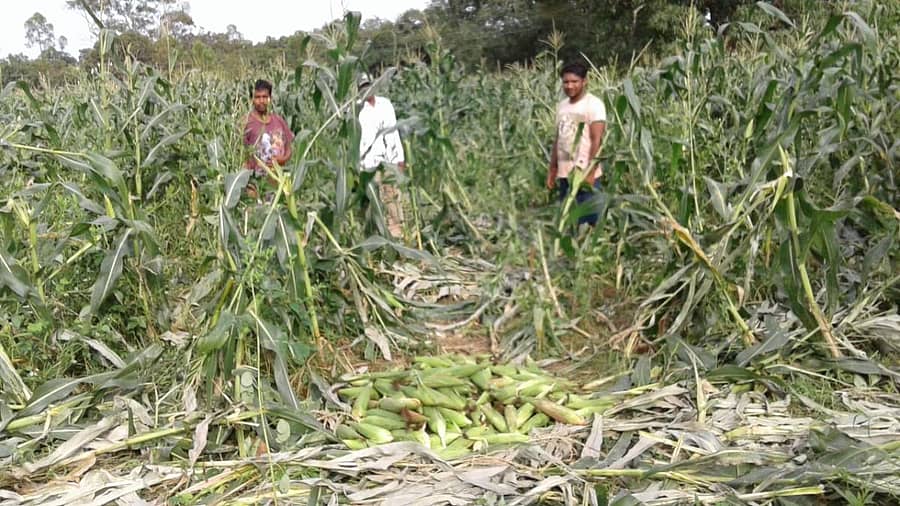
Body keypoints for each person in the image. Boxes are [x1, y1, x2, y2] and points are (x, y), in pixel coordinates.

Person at [547, 62, 607, 227]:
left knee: (590, 217)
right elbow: (559, 138)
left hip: (584, 173)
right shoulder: (562, 106)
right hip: (565, 173)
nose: (569, 86)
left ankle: (594, 249)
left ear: (584, 81)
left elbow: (597, 140)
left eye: (574, 81)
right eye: (566, 82)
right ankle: (573, 249)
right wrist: (553, 169)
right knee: (569, 218)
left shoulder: (594, 105)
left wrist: (590, 171)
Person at [358, 73, 406, 239]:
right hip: (369, 164)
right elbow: (357, 141)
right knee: (374, 201)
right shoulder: (357, 111)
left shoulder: (385, 104)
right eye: (363, 87)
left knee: (392, 197)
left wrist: (400, 158)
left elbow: (394, 132)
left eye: (368, 86)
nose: (366, 90)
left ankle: (397, 233)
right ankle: (377, 235)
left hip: (389, 160)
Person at [243, 79, 294, 197]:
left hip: (279, 186)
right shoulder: (246, 123)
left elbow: (289, 149)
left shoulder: (279, 121)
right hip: (257, 187)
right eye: (257, 97)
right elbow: (241, 157)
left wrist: (282, 159)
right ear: (252, 99)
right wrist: (247, 186)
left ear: (270, 98)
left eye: (265, 97)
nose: (261, 101)